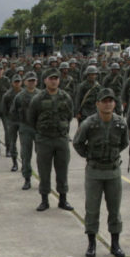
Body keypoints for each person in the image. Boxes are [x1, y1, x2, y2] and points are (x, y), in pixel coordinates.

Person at [73, 89, 130, 257]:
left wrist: (111, 156)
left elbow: (124, 143)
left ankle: (115, 244)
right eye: (104, 101)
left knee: (114, 209)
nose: (108, 104)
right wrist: (90, 157)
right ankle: (91, 243)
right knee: (92, 209)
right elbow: (78, 143)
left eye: (111, 101)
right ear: (97, 104)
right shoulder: (89, 123)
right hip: (94, 172)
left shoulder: (120, 123)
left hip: (113, 172)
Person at [27, 69, 75, 211]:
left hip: (61, 139)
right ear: (45, 80)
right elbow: (31, 119)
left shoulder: (65, 97)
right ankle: (44, 200)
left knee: (62, 170)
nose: (54, 81)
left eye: (56, 78)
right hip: (44, 139)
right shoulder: (38, 99)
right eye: (51, 78)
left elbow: (69, 115)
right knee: (44, 170)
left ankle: (63, 199)